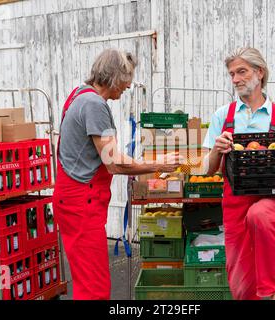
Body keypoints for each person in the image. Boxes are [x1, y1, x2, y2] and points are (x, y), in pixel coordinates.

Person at [53, 48, 182, 300]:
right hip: (81, 205)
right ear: (113, 76)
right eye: (127, 78)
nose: (128, 85)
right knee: (94, 288)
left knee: (85, 281)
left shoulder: (78, 95)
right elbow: (114, 163)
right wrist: (158, 165)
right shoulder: (93, 104)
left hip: (72, 200)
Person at [203, 47, 275, 300]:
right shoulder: (223, 116)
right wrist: (217, 149)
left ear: (259, 72)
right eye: (232, 74)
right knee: (241, 281)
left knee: (261, 215)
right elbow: (208, 168)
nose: (235, 79)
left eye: (242, 71)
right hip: (235, 198)